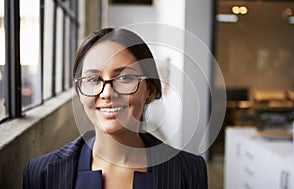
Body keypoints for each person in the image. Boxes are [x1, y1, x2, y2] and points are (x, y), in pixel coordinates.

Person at [23, 28, 208, 189]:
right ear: (80, 91)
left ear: (150, 90)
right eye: (93, 79)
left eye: (125, 78)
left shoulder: (189, 172)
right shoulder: (41, 174)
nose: (107, 93)